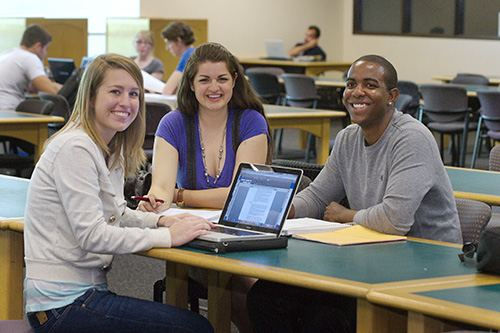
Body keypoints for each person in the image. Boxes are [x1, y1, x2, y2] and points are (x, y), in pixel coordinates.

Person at [247, 54, 462, 333]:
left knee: (326, 317)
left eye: (370, 85)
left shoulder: (411, 139)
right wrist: (283, 208)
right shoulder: (349, 138)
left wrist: (345, 215)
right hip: (371, 259)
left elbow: (394, 221)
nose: (357, 92)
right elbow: (317, 196)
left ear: (392, 96)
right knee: (264, 297)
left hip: (425, 269)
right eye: (351, 84)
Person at [23, 53, 214, 333]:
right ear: (90, 97)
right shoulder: (75, 148)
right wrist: (168, 237)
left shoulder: (107, 148)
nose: (126, 102)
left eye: (134, 93)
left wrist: (160, 221)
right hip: (61, 305)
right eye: (115, 91)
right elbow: (92, 235)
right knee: (195, 328)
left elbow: (116, 213)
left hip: (80, 296)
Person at [138, 42, 272, 333]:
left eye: (222, 79)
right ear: (191, 84)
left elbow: (241, 195)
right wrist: (157, 200)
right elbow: (161, 187)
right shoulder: (173, 124)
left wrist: (181, 196)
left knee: (257, 289)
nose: (215, 87)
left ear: (234, 81)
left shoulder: (251, 122)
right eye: (204, 79)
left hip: (249, 240)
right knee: (240, 287)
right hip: (198, 241)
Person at [0, 24, 62, 110]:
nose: (46, 54)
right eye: (46, 49)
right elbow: (51, 90)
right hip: (7, 110)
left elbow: (33, 88)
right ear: (38, 46)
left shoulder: (7, 54)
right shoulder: (29, 57)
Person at [161, 21, 196, 95]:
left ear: (178, 40)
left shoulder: (188, 55)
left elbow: (167, 91)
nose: (167, 48)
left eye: (169, 43)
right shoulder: (195, 52)